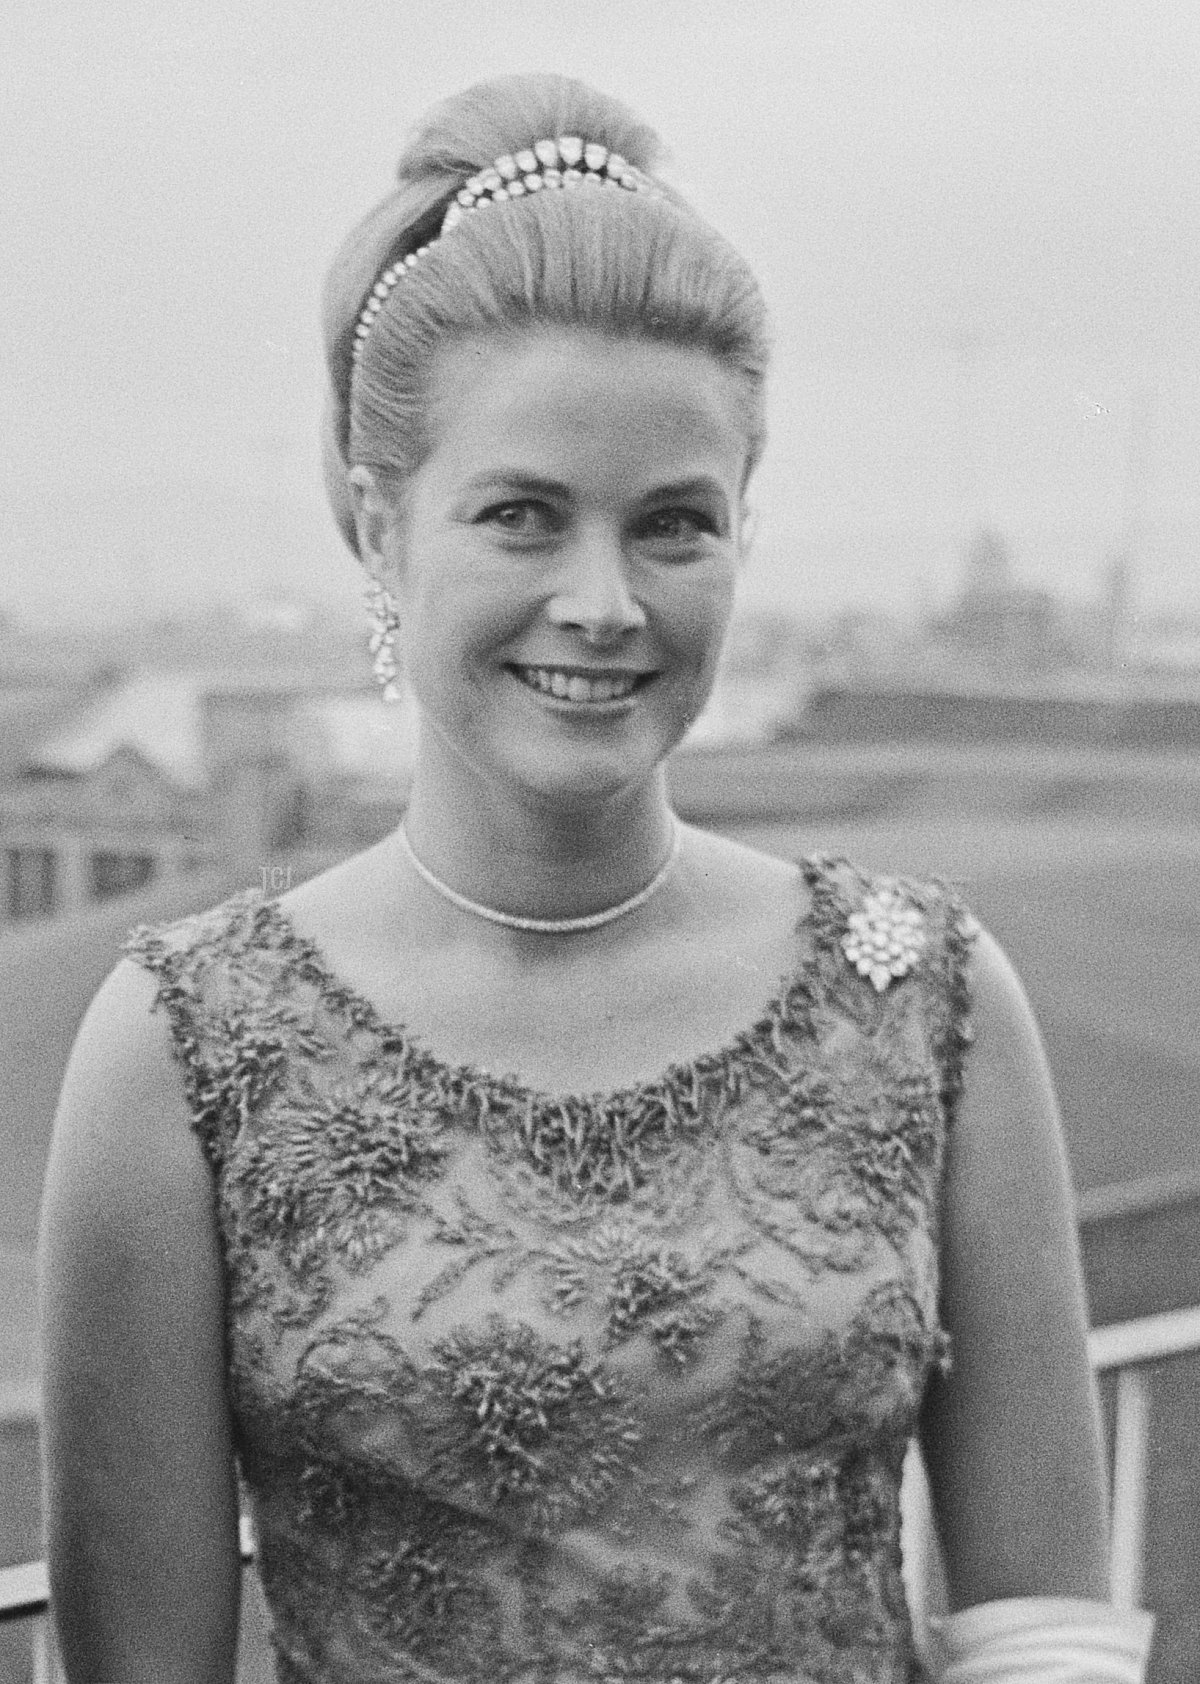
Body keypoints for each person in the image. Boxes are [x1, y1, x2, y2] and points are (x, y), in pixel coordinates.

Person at [38, 73, 1153, 1684]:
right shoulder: (184, 1050)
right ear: (378, 528)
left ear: (745, 535)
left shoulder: (925, 997)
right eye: (521, 516)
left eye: (675, 526)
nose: (603, 601)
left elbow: (1046, 1636)